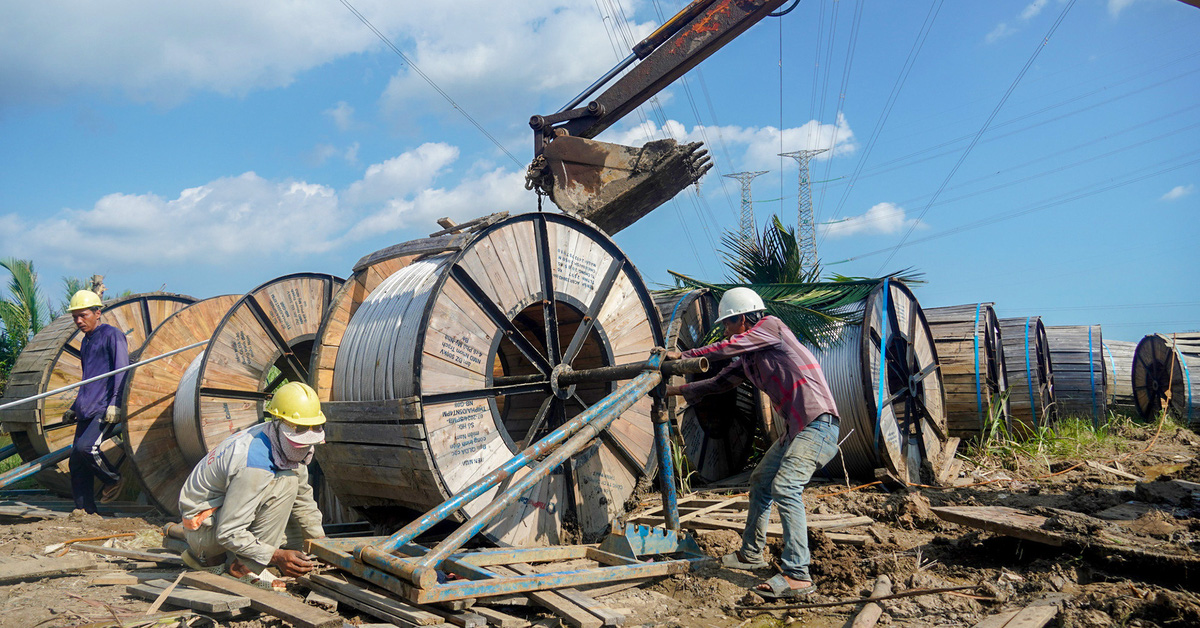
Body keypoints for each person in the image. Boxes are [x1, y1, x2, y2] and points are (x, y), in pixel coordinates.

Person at [664, 287, 840, 600]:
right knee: (760, 482)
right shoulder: (749, 359)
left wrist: (685, 354)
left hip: (818, 424)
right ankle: (751, 554)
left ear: (743, 319)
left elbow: (731, 345)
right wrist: (673, 393)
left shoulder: (772, 327)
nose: (726, 330)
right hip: (797, 430)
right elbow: (719, 383)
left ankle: (798, 575)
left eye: (728, 324)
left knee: (786, 487)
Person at [178, 381, 327, 580]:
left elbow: (304, 500)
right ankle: (243, 568)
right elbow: (228, 532)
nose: (307, 449)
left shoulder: (278, 440)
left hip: (218, 516)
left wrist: (321, 543)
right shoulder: (253, 463)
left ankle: (227, 556)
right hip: (204, 531)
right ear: (279, 423)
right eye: (300, 441)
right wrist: (276, 556)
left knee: (298, 540)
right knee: (286, 484)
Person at [64, 289, 128, 513]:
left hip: (105, 406)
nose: (79, 321)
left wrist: (116, 403)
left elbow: (122, 369)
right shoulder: (86, 343)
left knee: (86, 448)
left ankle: (113, 479)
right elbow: (88, 378)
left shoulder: (112, 335)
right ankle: (85, 512)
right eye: (75, 317)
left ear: (97, 313)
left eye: (83, 315)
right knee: (76, 463)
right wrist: (75, 407)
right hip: (86, 407)